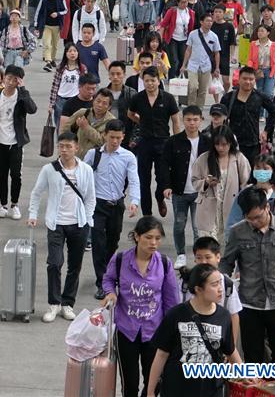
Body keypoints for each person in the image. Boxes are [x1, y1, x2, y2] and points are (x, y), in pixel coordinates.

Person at [220, 187, 275, 363]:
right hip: (249, 304)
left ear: (267, 207)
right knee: (253, 358)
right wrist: (222, 285)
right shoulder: (238, 231)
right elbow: (226, 263)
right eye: (249, 218)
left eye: (257, 217)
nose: (254, 222)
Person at [100, 217, 180, 397]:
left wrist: (172, 332)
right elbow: (108, 279)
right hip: (126, 330)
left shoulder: (165, 263)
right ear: (137, 236)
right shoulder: (120, 259)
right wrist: (110, 293)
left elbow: (171, 301)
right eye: (148, 237)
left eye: (158, 238)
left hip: (155, 331)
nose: (153, 243)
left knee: (154, 381)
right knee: (129, 384)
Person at [28, 130, 96, 323]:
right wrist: (33, 215)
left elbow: (90, 197)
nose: (64, 150)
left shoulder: (86, 170)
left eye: (68, 146)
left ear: (77, 148)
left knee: (75, 265)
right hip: (56, 223)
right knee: (54, 263)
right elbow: (36, 193)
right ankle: (54, 303)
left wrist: (88, 220)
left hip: (79, 223)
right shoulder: (49, 169)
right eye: (61, 146)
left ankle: (68, 303)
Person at [146, 263, 242, 397]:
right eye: (214, 285)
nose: (221, 289)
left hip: (211, 390)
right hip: (177, 389)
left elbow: (230, 351)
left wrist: (245, 376)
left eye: (220, 283)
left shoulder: (224, 316)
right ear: (198, 289)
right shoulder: (176, 314)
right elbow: (161, 354)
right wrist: (150, 391)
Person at [87, 120, 141, 300]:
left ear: (123, 137)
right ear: (105, 135)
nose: (115, 141)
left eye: (118, 137)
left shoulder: (128, 157)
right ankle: (101, 283)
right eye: (112, 137)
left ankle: (109, 273)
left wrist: (135, 201)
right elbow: (83, 176)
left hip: (116, 205)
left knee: (112, 242)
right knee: (98, 243)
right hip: (97, 205)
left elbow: (134, 180)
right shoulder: (93, 155)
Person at [0, 65, 37, 220]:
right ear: (4, 78)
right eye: (9, 78)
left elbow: (32, 109)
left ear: (19, 82)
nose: (11, 82)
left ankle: (15, 204)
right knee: (2, 174)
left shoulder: (21, 96)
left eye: (15, 80)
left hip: (16, 142)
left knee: (16, 175)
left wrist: (23, 90)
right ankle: (4, 205)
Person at [161, 105, 211, 269]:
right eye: (188, 120)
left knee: (198, 226)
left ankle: (198, 255)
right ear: (183, 121)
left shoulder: (207, 142)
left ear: (201, 120)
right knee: (179, 224)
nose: (192, 123)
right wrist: (166, 186)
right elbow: (164, 165)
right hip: (180, 190)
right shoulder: (173, 141)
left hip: (200, 191)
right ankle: (181, 254)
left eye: (195, 120)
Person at [128, 66, 180, 218]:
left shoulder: (168, 98)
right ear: (143, 81)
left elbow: (176, 120)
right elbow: (130, 114)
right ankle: (147, 215)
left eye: (153, 80)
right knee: (143, 179)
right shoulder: (138, 98)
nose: (150, 83)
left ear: (158, 81)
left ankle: (159, 197)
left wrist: (177, 141)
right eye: (147, 81)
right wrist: (141, 121)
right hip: (144, 142)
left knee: (162, 177)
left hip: (163, 142)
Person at [191, 125, 250, 245]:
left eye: (224, 144)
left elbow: (246, 183)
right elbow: (194, 181)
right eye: (217, 144)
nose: (220, 148)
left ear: (230, 143)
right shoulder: (204, 158)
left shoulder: (239, 158)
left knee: (227, 244)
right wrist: (206, 183)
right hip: (208, 208)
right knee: (209, 245)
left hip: (231, 207)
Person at [219, 66, 275, 180]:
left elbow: (274, 112)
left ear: (255, 80)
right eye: (245, 79)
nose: (248, 82)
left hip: (253, 144)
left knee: (252, 177)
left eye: (251, 79)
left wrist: (266, 131)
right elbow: (220, 117)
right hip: (233, 144)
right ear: (239, 79)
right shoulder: (228, 97)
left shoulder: (260, 96)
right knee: (233, 176)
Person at [179, 11, 220, 108]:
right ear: (201, 22)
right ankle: (191, 108)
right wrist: (183, 65)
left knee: (202, 90)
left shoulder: (214, 36)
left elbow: (217, 53)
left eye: (211, 21)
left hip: (206, 66)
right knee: (193, 87)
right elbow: (188, 50)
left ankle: (199, 109)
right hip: (193, 65)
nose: (209, 23)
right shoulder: (193, 34)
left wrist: (217, 68)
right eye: (207, 21)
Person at [61, 89, 115, 157]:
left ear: (109, 107)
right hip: (76, 156)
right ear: (93, 101)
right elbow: (65, 129)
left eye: (104, 103)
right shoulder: (83, 113)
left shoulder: (111, 121)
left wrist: (86, 127)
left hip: (96, 159)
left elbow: (103, 142)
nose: (100, 105)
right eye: (98, 101)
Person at [247, 23, 275, 98]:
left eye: (262, 31)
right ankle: (261, 106)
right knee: (260, 92)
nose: (260, 33)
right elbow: (250, 59)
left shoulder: (273, 45)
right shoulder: (253, 44)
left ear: (268, 33)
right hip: (258, 71)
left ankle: (268, 105)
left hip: (270, 71)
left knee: (268, 93)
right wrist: (249, 70)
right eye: (258, 31)